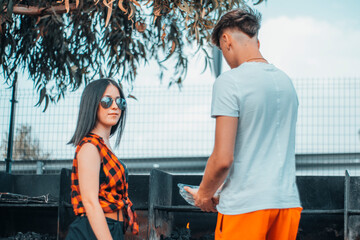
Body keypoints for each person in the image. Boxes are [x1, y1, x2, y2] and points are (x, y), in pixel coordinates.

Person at [185, 7, 302, 240]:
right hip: (286, 205)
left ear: (226, 40)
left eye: (222, 49)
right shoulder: (285, 82)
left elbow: (222, 159)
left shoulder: (230, 81)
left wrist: (203, 195)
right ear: (257, 41)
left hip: (245, 208)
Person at [66, 78, 139, 240]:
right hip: (92, 231)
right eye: (106, 101)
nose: (115, 106)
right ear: (92, 104)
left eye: (119, 102)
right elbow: (90, 203)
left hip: (110, 229)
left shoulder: (103, 147)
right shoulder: (90, 147)